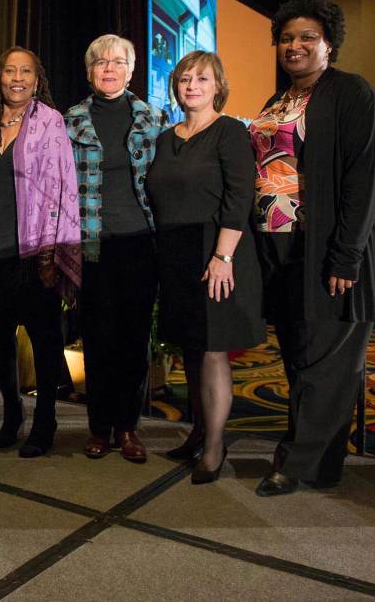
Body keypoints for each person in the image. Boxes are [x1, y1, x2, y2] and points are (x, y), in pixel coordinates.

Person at [250, 0, 375, 496]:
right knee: (300, 357)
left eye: (307, 37)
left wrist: (346, 256)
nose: (294, 46)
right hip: (285, 251)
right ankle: (322, 458)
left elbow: (365, 180)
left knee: (328, 362)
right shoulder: (279, 101)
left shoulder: (352, 94)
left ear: (329, 44)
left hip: (335, 253)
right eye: (287, 38)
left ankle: (298, 463)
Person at [146, 51, 265, 483]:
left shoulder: (230, 132)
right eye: (184, 79)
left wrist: (223, 257)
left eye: (201, 79)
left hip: (218, 251)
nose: (191, 85)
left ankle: (215, 447)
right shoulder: (165, 138)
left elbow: (239, 198)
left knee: (214, 350)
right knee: (192, 349)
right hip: (176, 252)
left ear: (218, 87)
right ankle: (198, 432)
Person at [0, 46, 81, 458]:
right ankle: (12, 414)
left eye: (26, 72)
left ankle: (46, 418)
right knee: (0, 337)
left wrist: (50, 253)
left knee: (44, 338)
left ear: (38, 79)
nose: (17, 78)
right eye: (10, 71)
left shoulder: (49, 123)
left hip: (34, 251)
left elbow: (61, 188)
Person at [64, 34, 166, 464]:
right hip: (92, 246)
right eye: (100, 62)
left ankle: (128, 427)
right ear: (89, 72)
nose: (109, 68)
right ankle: (99, 428)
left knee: (133, 339)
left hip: (141, 243)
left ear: (132, 69)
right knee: (98, 339)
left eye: (118, 61)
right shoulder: (70, 121)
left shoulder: (154, 118)